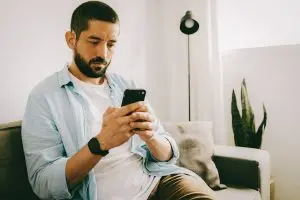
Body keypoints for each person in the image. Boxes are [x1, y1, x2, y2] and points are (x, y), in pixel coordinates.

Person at [21, 1, 216, 200]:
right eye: (94, 41)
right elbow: (43, 183)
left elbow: (168, 155)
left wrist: (151, 137)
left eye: (111, 44)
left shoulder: (125, 85)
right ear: (71, 39)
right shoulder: (43, 98)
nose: (103, 54)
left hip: (159, 180)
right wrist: (101, 143)